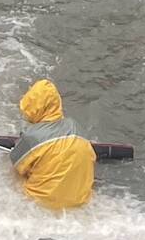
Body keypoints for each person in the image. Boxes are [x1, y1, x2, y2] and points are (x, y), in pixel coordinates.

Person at [9, 79, 96, 209]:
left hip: (40, 204)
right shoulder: (77, 128)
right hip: (80, 202)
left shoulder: (31, 137)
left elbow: (17, 165)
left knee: (12, 174)